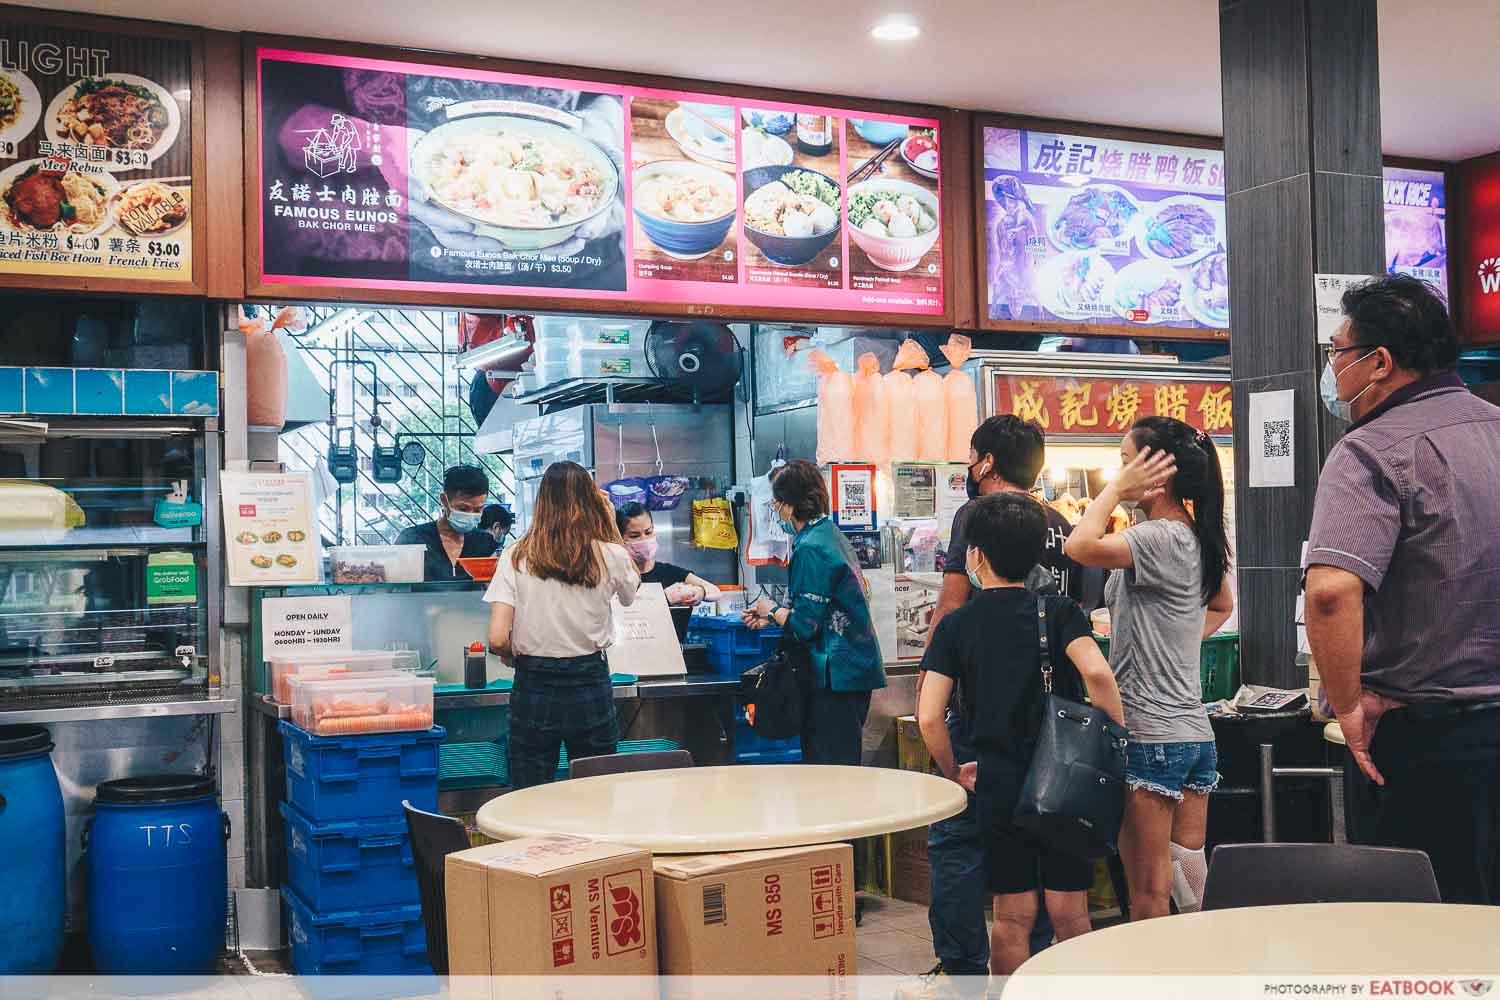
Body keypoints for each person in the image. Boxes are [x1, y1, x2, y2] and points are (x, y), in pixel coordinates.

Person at [1304, 275, 1500, 905]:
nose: (1332, 370)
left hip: (1425, 747)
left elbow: (1332, 590)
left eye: (1337, 352)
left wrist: (1349, 706)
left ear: (1379, 363)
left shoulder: (1371, 449)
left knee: (1422, 941)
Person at [909, 415, 1085, 994]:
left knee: (959, 835)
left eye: (971, 455)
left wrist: (932, 670)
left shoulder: (977, 518)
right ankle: (1037, 971)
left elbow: (954, 602)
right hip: (1056, 725)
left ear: (986, 463)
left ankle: (963, 971)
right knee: (1045, 859)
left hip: (983, 718)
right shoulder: (1061, 524)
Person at [918, 492, 1125, 977]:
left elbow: (930, 716)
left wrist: (955, 772)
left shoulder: (957, 627)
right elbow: (1098, 675)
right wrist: (1114, 738)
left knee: (1012, 917)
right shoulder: (1059, 612)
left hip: (997, 781)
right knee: (1070, 912)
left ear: (978, 556)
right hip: (1067, 779)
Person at [1064, 417, 1234, 920]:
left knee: (1147, 894)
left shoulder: (1160, 536)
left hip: (1149, 738)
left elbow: (1079, 547)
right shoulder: (1195, 535)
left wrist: (1115, 490)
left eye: (1125, 461)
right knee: (1187, 881)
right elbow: (1221, 603)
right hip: (1193, 735)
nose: (1118, 473)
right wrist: (1172, 640)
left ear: (1157, 472)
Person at [484, 462, 639, 789]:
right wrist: (610, 525)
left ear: (541, 502)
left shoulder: (515, 555)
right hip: (589, 681)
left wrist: (515, 655)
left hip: (533, 683)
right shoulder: (611, 554)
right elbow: (629, 594)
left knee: (530, 792)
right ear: (590, 502)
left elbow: (497, 638)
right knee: (597, 789)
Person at [742, 459, 886, 764]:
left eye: (777, 503)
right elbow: (821, 604)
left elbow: (804, 626)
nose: (776, 511)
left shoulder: (811, 548)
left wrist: (772, 608)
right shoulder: (829, 534)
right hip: (850, 673)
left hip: (836, 678)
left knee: (832, 773)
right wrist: (771, 615)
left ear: (790, 506)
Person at [396, 465, 498, 581]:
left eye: (478, 509)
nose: (470, 514)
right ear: (444, 500)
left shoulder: (484, 543)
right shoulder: (413, 539)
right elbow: (395, 587)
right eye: (463, 509)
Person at [615, 501, 723, 607]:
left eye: (648, 532)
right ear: (620, 539)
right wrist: (664, 598)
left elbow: (715, 591)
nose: (644, 539)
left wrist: (701, 591)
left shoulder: (669, 572)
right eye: (635, 536)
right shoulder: (615, 576)